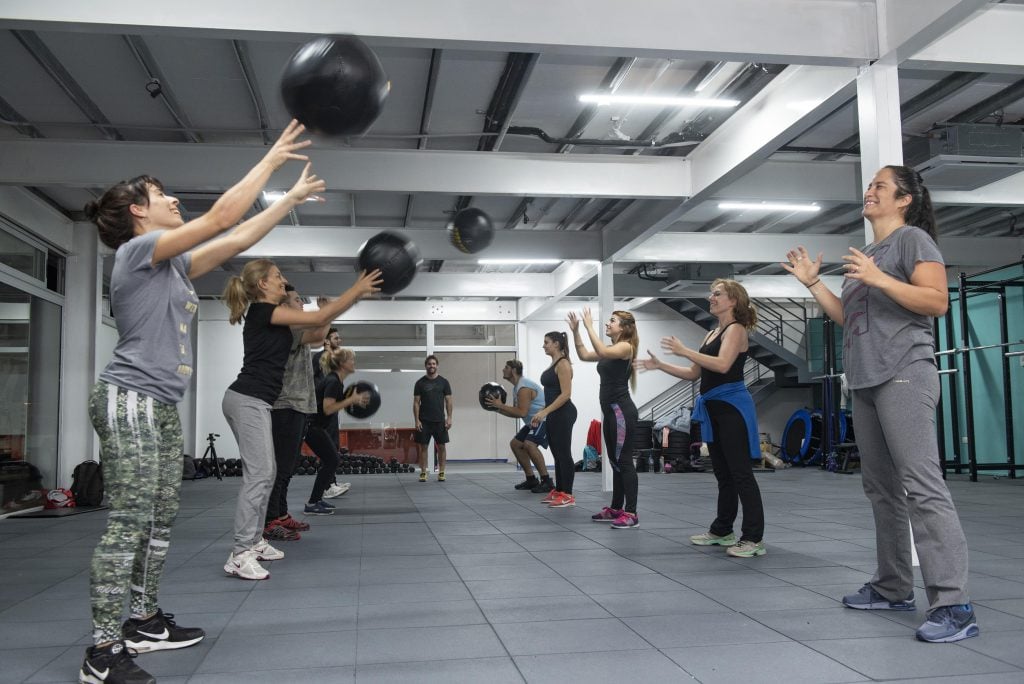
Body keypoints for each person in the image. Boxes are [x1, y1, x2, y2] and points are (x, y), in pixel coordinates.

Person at [80, 120, 316, 684]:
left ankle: (142, 620)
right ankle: (102, 651)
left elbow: (234, 241)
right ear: (138, 211)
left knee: (160, 519)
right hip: (130, 399)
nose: (173, 199)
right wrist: (272, 160)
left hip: (158, 405)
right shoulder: (137, 252)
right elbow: (219, 219)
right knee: (129, 522)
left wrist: (289, 199)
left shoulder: (172, 265)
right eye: (161, 195)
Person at [783, 164, 977, 643]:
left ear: (904, 199)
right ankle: (893, 586)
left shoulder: (912, 241)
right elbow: (848, 317)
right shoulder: (869, 252)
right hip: (866, 379)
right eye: (869, 185)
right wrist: (813, 283)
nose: (869, 191)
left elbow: (936, 301)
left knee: (922, 485)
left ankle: (955, 605)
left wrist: (879, 278)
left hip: (905, 372)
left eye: (879, 186)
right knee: (881, 488)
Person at [221, 260, 381, 581]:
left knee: (267, 473)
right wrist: (357, 291)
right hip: (247, 399)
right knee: (260, 475)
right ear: (263, 285)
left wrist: (337, 306)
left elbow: (319, 327)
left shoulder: (277, 320)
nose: (284, 281)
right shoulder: (263, 311)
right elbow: (320, 318)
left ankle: (255, 540)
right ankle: (240, 552)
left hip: (258, 402)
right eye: (278, 277)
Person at [638, 279, 766, 558]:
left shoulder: (736, 330)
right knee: (722, 473)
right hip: (713, 408)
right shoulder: (711, 333)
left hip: (733, 408)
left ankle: (753, 538)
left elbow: (722, 365)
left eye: (717, 294)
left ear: (733, 300)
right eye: (712, 294)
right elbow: (694, 373)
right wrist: (660, 365)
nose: (711, 297)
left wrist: (684, 350)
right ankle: (723, 530)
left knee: (741, 473)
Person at [262, 286, 331, 542]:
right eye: (296, 299)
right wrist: (326, 311)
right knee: (280, 467)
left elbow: (316, 335)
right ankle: (270, 521)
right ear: (284, 306)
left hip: (298, 405)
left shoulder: (293, 328)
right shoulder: (287, 328)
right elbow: (318, 334)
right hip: (285, 405)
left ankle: (280, 514)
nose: (302, 302)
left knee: (288, 466)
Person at [570, 308, 640, 528]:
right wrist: (576, 331)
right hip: (610, 413)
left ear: (625, 327)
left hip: (621, 412)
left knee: (625, 462)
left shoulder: (626, 347)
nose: (608, 324)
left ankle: (631, 513)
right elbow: (584, 354)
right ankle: (617, 508)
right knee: (614, 462)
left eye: (612, 321)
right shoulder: (612, 348)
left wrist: (590, 325)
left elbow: (599, 349)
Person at [306, 347, 370, 514]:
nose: (354, 362)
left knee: (331, 460)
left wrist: (353, 401)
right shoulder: (333, 381)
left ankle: (316, 500)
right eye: (351, 360)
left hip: (315, 426)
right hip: (310, 426)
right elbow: (328, 408)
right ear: (342, 364)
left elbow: (333, 404)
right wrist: (351, 400)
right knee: (332, 460)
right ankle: (313, 503)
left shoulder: (337, 381)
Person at [486, 359, 554, 493]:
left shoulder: (523, 387)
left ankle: (547, 481)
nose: (503, 370)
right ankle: (531, 479)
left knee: (529, 444)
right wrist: (499, 409)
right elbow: (518, 414)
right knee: (516, 444)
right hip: (532, 422)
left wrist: (500, 405)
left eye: (506, 367)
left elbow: (521, 411)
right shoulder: (517, 387)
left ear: (513, 370)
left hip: (544, 420)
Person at [530, 332, 577, 507]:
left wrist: (545, 412)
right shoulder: (554, 363)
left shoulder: (563, 363)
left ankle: (568, 495)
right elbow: (553, 395)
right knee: (557, 454)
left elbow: (566, 395)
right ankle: (559, 490)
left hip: (564, 413)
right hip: (555, 413)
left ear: (556, 344)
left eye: (546, 342)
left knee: (564, 454)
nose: (544, 346)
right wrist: (542, 412)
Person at [413, 355, 453, 482]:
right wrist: (417, 420)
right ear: (426, 365)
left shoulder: (444, 382)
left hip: (440, 420)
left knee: (441, 447)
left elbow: (449, 401)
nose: (431, 366)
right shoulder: (420, 383)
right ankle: (423, 472)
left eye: (434, 364)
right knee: (423, 447)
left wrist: (450, 418)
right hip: (424, 421)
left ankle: (441, 472)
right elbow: (416, 403)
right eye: (429, 364)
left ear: (437, 365)